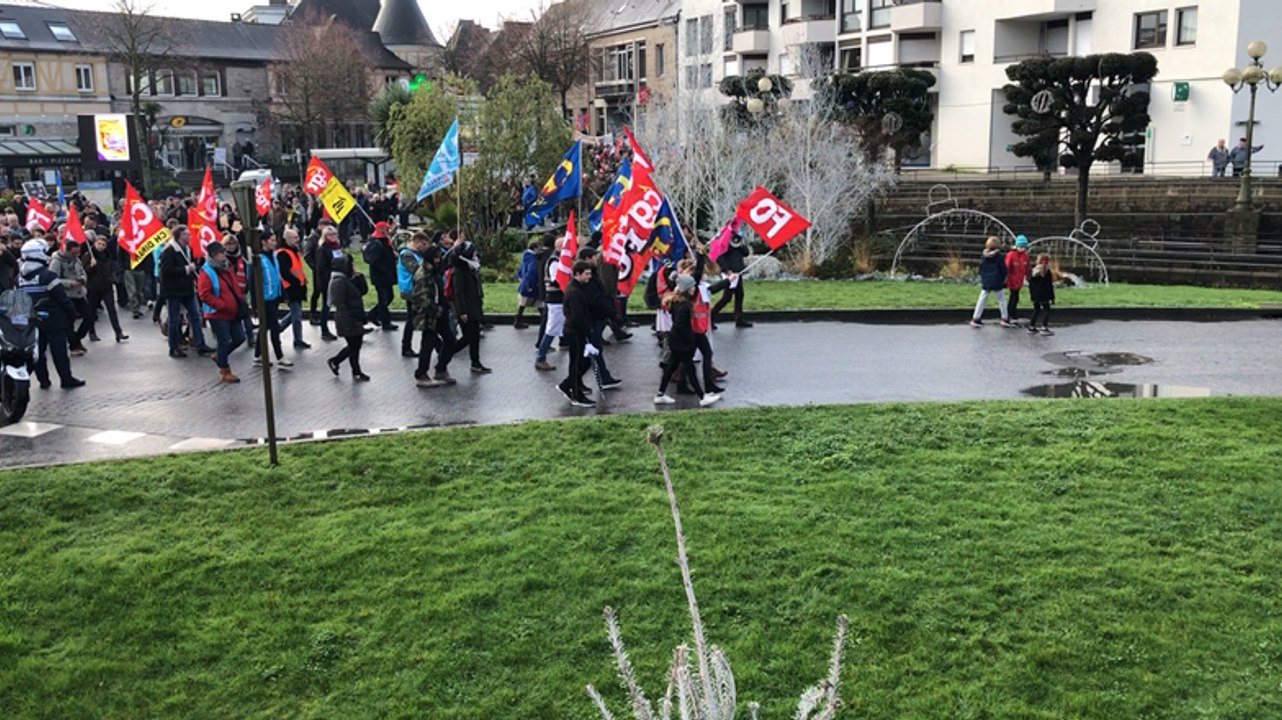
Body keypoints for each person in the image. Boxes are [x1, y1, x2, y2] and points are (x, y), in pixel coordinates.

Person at [17, 239, 83, 389]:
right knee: (59, 352)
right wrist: (72, 313)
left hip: (32, 320)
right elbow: (61, 297)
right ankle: (66, 380)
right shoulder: (47, 275)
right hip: (54, 319)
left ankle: (44, 381)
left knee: (38, 353)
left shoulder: (20, 278)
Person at [655, 273, 721, 407]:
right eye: (691, 287)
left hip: (675, 341)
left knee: (671, 367)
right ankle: (702, 398)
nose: (694, 288)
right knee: (690, 370)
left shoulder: (676, 301)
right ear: (685, 289)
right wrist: (690, 339)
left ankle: (660, 394)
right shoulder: (684, 305)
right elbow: (680, 325)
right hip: (681, 342)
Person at [196, 241, 247, 383]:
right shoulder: (206, 271)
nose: (224, 255)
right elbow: (204, 294)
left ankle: (219, 356)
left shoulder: (227, 267)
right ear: (213, 255)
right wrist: (221, 305)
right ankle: (224, 370)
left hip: (233, 311)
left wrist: (239, 300)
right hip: (217, 313)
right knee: (223, 341)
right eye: (221, 252)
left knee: (240, 338)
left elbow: (234, 285)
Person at [159, 226, 213, 358]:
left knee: (195, 316)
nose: (189, 236)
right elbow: (166, 270)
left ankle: (200, 344)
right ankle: (173, 347)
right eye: (186, 234)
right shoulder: (169, 251)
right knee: (174, 319)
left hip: (187, 289)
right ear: (179, 236)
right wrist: (185, 269)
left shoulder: (188, 249)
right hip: (174, 290)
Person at [557, 260, 596, 407]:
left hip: (575, 330)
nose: (589, 277)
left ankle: (570, 386)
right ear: (577, 274)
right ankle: (575, 393)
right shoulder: (574, 292)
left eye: (590, 273)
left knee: (581, 362)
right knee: (578, 362)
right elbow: (577, 316)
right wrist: (588, 331)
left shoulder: (576, 288)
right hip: (575, 332)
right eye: (586, 274)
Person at [449, 239, 490, 374]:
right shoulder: (459, 271)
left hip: (474, 306)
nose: (475, 255)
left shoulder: (470, 267)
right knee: (468, 337)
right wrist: (462, 311)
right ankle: (446, 352)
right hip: (466, 309)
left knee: (474, 337)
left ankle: (475, 362)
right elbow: (458, 293)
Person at [325, 255, 369, 381]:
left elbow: (362, 291)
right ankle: (354, 370)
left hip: (354, 316)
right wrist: (346, 323)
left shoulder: (347, 279)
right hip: (348, 318)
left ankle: (338, 362)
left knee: (355, 346)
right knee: (354, 346)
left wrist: (359, 277)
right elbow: (340, 304)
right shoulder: (339, 281)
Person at [410, 244, 447, 388]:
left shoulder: (434, 271)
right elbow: (422, 298)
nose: (438, 260)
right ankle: (421, 373)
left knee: (447, 340)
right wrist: (436, 310)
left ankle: (440, 368)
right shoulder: (422, 275)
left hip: (437, 312)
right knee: (427, 344)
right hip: (428, 315)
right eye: (436, 258)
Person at [253, 230, 291, 368]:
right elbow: (253, 281)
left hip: (274, 296)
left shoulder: (274, 256)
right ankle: (279, 356)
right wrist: (255, 303)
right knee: (274, 327)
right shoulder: (258, 258)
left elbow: (277, 275)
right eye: (272, 240)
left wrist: (283, 294)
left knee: (265, 327)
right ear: (264, 241)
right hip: (264, 299)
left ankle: (257, 355)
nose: (275, 243)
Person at [83, 232, 127, 342]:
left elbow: (111, 268)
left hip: (106, 286)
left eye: (103, 244)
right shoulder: (88, 255)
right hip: (93, 287)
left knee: (112, 310)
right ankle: (92, 332)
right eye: (99, 244)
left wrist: (113, 278)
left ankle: (118, 332)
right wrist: (90, 266)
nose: (101, 246)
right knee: (91, 311)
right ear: (95, 243)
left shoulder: (108, 255)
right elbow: (84, 272)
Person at [49, 238, 90, 355]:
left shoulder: (76, 260)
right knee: (69, 322)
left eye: (78, 252)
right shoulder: (57, 261)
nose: (76, 255)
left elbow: (82, 272)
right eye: (73, 253)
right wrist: (69, 283)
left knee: (89, 318)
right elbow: (53, 279)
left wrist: (82, 279)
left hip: (80, 293)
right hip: (67, 295)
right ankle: (73, 345)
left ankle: (77, 339)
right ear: (66, 250)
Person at [711, 230, 753, 328]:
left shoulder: (738, 246)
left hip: (738, 273)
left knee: (739, 295)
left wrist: (741, 244)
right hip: (729, 274)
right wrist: (726, 270)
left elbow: (746, 253)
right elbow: (719, 258)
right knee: (726, 298)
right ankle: (711, 316)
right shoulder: (724, 245)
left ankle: (739, 319)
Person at [534, 237, 565, 371]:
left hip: (559, 299)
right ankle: (541, 357)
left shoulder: (559, 260)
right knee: (552, 328)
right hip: (555, 299)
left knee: (555, 327)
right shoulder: (554, 261)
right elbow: (556, 279)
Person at [277, 227, 310, 349]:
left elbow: (297, 268)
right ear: (287, 239)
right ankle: (297, 339)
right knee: (297, 314)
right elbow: (285, 272)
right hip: (291, 288)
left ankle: (278, 329)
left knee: (295, 313)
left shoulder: (294, 250)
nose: (298, 239)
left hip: (297, 286)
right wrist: (297, 281)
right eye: (295, 237)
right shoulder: (283, 253)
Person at [362, 221, 398, 332]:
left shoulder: (384, 241)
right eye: (387, 229)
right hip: (380, 276)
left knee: (389, 297)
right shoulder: (376, 243)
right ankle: (385, 322)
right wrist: (386, 271)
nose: (389, 231)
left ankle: (373, 314)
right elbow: (374, 261)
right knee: (383, 299)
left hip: (386, 275)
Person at [397, 231, 428, 357]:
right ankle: (406, 347)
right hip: (410, 290)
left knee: (413, 318)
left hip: (415, 289)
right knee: (412, 319)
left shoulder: (415, 254)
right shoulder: (407, 255)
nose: (425, 247)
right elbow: (417, 270)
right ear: (416, 242)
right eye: (424, 244)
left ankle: (407, 346)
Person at [970, 236, 1012, 328]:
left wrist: (983, 277)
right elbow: (1003, 269)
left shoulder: (983, 256)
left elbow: (981, 268)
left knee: (982, 299)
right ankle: (1004, 318)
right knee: (1001, 300)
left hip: (986, 281)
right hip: (997, 280)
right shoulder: (999, 257)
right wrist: (1003, 278)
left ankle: (976, 318)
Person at [315, 224, 342, 341]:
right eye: (330, 235)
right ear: (325, 236)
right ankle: (324, 330)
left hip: (340, 279)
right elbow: (321, 268)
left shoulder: (337, 247)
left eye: (334, 234)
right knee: (326, 306)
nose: (333, 236)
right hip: (328, 281)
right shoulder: (322, 249)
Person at [514, 239, 541, 329]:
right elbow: (532, 271)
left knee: (522, 303)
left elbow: (521, 268)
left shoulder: (525, 256)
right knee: (539, 303)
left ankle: (518, 321)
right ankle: (545, 320)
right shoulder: (533, 258)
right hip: (530, 284)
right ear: (535, 248)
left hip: (524, 283)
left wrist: (519, 277)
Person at [1027, 253, 1056, 336]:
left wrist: (1032, 295)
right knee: (1047, 310)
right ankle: (1044, 327)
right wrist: (1052, 297)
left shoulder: (1033, 271)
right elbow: (1049, 286)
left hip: (1035, 295)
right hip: (1044, 295)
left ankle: (1031, 326)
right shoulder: (1047, 272)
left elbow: (1030, 285)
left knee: (1036, 310)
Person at [1005, 235, 1031, 325]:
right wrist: (1005, 279)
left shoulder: (1025, 256)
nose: (1022, 249)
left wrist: (1028, 276)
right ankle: (1009, 313)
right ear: (1017, 246)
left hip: (1019, 280)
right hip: (1012, 280)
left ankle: (1012, 313)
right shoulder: (1011, 255)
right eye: (1021, 247)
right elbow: (1007, 267)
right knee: (1013, 297)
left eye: (1024, 247)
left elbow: (1027, 267)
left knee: (1015, 297)